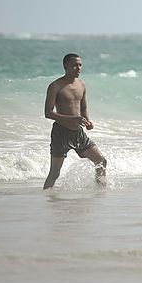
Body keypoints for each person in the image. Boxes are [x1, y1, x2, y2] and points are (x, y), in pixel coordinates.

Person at [43, 53, 107, 189]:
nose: (78, 68)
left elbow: (83, 107)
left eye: (80, 65)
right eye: (74, 65)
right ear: (65, 66)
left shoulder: (82, 85)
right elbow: (48, 113)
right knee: (54, 173)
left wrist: (88, 122)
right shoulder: (55, 86)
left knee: (101, 161)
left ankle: (100, 192)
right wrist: (73, 119)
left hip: (78, 133)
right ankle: (46, 198)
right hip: (60, 133)